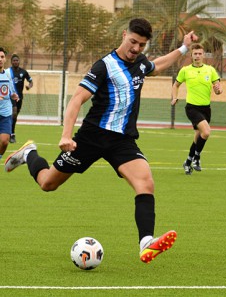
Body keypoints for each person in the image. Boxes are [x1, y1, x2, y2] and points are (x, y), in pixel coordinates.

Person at [5, 18, 198, 264]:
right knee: (47, 183)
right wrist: (66, 135)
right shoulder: (103, 67)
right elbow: (76, 100)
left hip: (123, 140)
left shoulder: (139, 62)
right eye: (133, 42)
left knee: (145, 182)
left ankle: (146, 242)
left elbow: (157, 65)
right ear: (124, 35)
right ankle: (29, 153)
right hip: (91, 137)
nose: (136, 49)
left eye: (141, 45)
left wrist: (183, 48)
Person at [171, 43, 223, 175]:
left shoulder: (210, 70)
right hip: (192, 108)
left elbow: (218, 88)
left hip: (206, 108)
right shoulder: (185, 70)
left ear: (203, 55)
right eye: (195, 53)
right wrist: (174, 97)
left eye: (200, 53)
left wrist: (218, 89)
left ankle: (188, 161)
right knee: (206, 132)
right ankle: (197, 158)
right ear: (191, 55)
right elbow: (176, 85)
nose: (197, 56)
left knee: (198, 136)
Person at [6, 54, 33, 143]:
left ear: (19, 61)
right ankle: (12, 134)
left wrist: (29, 86)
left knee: (14, 116)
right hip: (10, 97)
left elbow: (31, 81)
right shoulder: (7, 72)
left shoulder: (23, 72)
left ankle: (10, 133)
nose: (15, 62)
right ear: (11, 62)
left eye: (17, 60)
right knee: (13, 113)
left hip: (19, 97)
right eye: (14, 60)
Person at [0, 48, 19, 161]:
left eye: (2, 57)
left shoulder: (7, 75)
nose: (0, 59)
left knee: (4, 141)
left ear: (5, 59)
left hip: (5, 113)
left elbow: (10, 90)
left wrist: (13, 95)